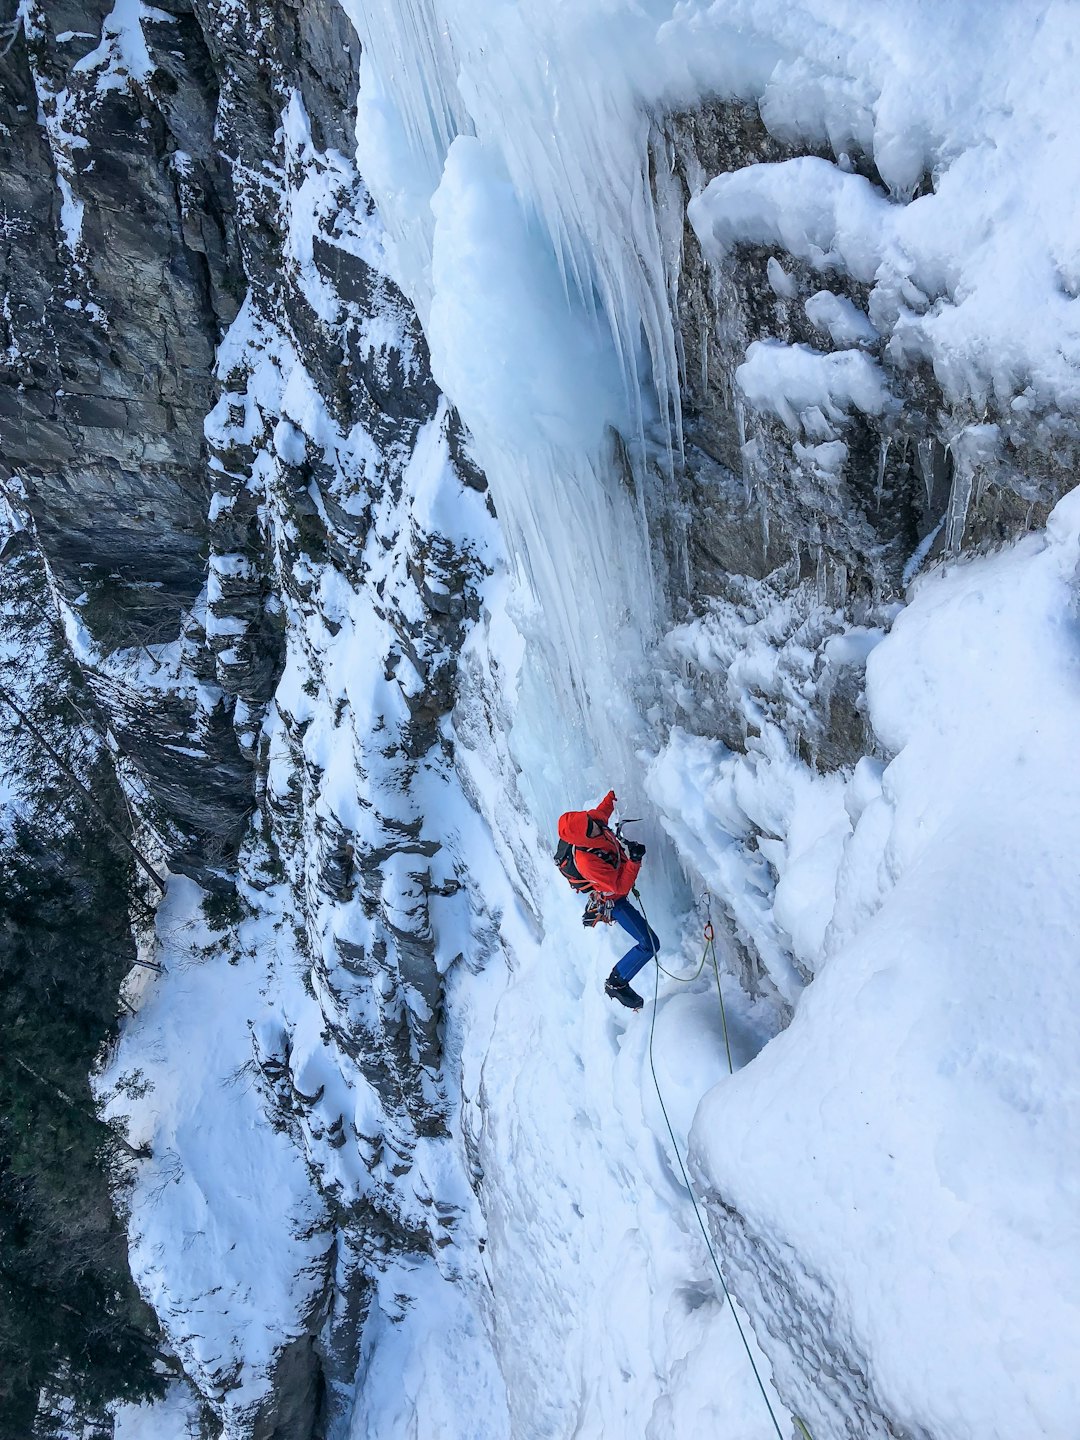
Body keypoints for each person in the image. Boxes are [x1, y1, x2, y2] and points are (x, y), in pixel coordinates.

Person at [555, 789, 659, 1011]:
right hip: (614, 901)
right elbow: (619, 887)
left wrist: (613, 795)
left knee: (649, 942)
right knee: (650, 944)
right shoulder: (587, 862)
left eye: (590, 822)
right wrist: (634, 861)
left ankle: (618, 981)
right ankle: (616, 982)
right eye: (589, 829)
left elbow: (601, 812)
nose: (595, 826)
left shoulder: (591, 822)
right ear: (581, 838)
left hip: (616, 885)